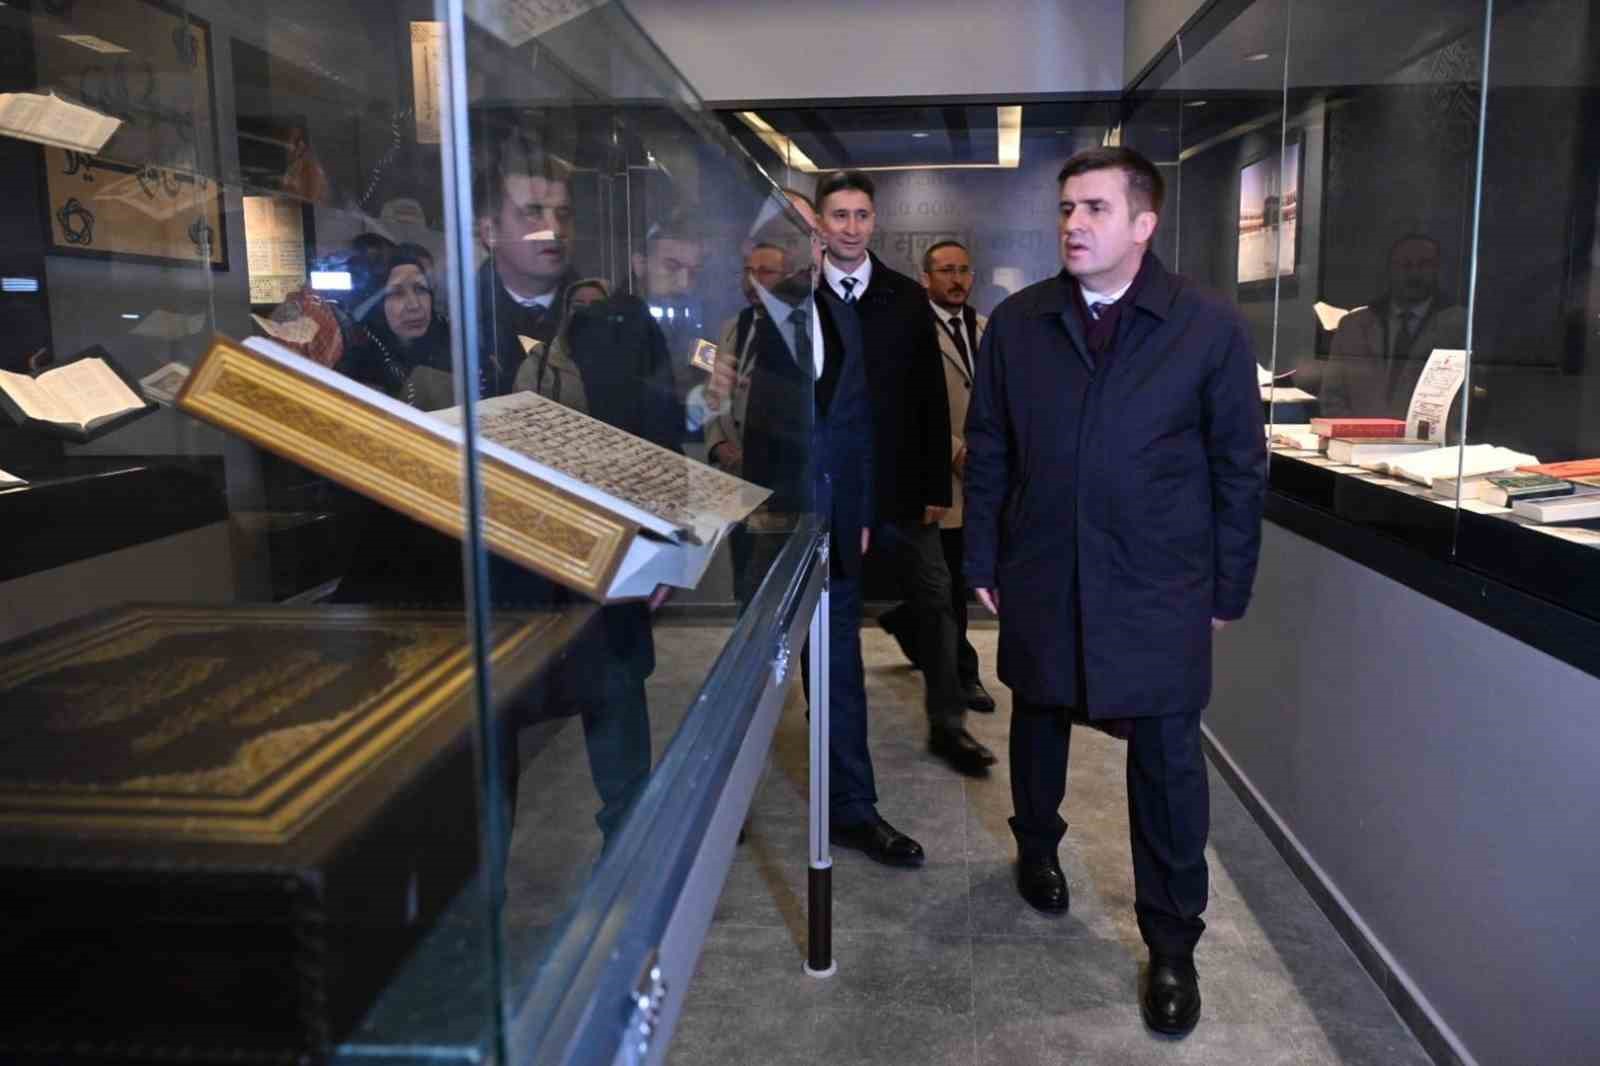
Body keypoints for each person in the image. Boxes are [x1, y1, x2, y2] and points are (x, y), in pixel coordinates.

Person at [963, 146, 1267, 1037]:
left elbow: (1239, 467)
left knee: (1168, 763)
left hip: (1158, 582)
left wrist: (1229, 587)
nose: (1073, 224)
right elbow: (990, 449)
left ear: (1144, 223)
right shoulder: (1019, 324)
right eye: (1066, 208)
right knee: (1038, 713)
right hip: (1044, 566)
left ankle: (1172, 945)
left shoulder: (1206, 326)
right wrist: (982, 558)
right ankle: (1036, 847)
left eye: (1095, 208)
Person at [742, 188, 923, 868]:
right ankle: (723, 804)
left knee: (840, 675)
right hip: (772, 528)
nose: (812, 243)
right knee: (753, 677)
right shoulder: (753, 321)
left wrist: (862, 513)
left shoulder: (841, 317)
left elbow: (856, 427)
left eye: (811, 230)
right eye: (794, 231)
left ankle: (853, 808)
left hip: (836, 529)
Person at [813, 170, 995, 780]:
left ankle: (949, 724)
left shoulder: (904, 298)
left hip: (901, 489)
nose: (851, 228)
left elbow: (929, 399)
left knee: (937, 598)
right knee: (830, 622)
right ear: (820, 223)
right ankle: (835, 749)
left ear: (874, 221)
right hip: (832, 494)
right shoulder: (803, 297)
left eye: (862, 215)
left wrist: (936, 487)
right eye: (839, 215)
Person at [877, 239, 995, 713]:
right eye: (946, 270)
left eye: (964, 270)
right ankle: (965, 676)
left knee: (955, 582)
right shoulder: (908, 328)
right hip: (936, 477)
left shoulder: (985, 328)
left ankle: (907, 622)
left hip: (983, 477)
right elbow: (906, 406)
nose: (957, 279)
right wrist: (954, 451)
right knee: (945, 588)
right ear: (925, 278)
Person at [1322, 233, 1467, 417]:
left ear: (1437, 270)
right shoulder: (1352, 327)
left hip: (1429, 435)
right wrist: (1357, 433)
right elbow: (1332, 398)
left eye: (1424, 265)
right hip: (1357, 434)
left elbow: (1463, 402)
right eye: (1405, 265)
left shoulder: (1460, 326)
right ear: (1390, 270)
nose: (1414, 273)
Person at [513, 277, 610, 411]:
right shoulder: (540, 363)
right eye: (578, 306)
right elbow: (521, 413)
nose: (587, 311)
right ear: (566, 312)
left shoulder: (625, 360)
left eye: (597, 305)